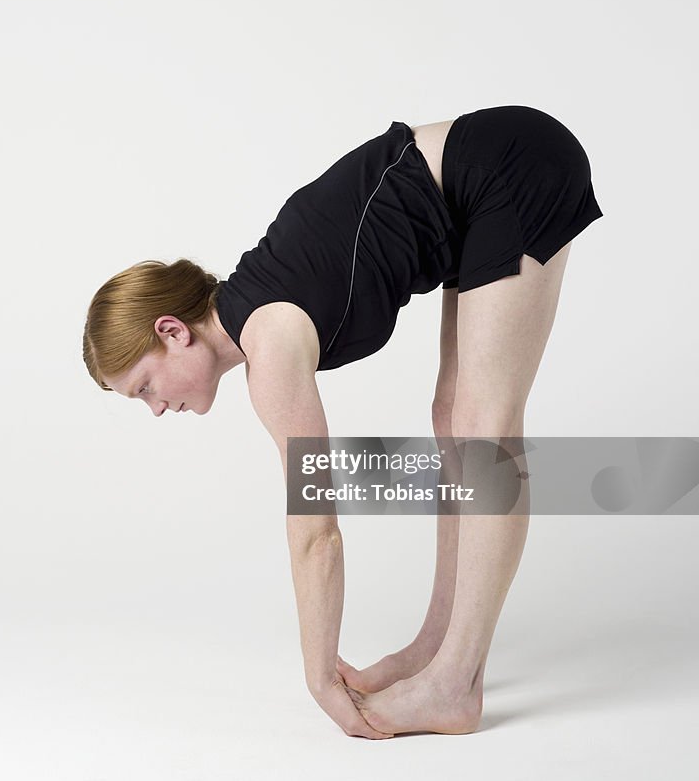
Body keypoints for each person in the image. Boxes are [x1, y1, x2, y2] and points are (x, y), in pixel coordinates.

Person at [82, 104, 603, 738]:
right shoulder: (256, 310)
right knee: (452, 418)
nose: (157, 408)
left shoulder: (268, 346)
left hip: (508, 166)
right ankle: (435, 648)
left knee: (485, 428)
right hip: (472, 197)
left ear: (172, 332)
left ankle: (456, 684)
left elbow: (316, 535)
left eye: (144, 389)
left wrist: (318, 675)